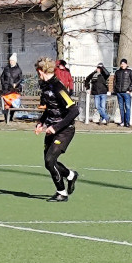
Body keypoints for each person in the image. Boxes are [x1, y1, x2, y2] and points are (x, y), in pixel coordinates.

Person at [34, 56, 80, 202]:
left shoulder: (59, 88)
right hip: (51, 128)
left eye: (37, 72)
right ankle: (71, 175)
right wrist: (41, 122)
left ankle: (62, 193)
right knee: (49, 163)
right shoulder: (45, 86)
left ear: (41, 71)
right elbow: (50, 108)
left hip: (65, 130)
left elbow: (74, 111)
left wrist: (56, 127)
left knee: (50, 160)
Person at [113, 58, 132, 128]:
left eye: (123, 64)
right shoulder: (117, 72)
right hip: (119, 93)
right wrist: (115, 90)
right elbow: (114, 81)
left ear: (126, 64)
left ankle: (127, 122)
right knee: (121, 108)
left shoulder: (130, 71)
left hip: (126, 93)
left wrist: (129, 89)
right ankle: (122, 122)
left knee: (128, 107)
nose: (122, 65)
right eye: (121, 64)